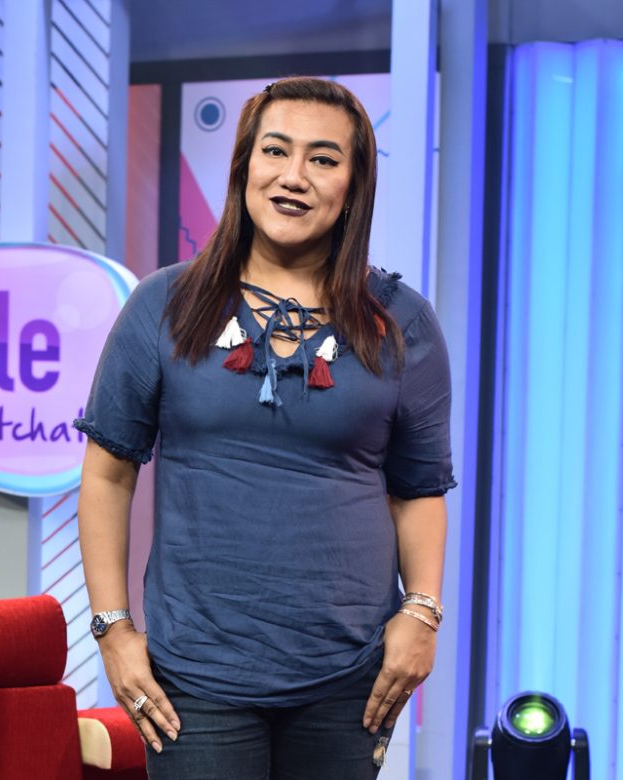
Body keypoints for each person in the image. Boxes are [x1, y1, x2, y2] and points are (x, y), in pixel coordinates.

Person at [75, 76, 455, 779]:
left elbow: (418, 489)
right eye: (275, 151)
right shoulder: (165, 305)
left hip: (351, 678)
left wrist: (422, 612)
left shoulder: (402, 321)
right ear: (244, 167)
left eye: (323, 159)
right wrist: (113, 630)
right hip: (194, 678)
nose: (293, 175)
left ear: (354, 185)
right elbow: (106, 475)